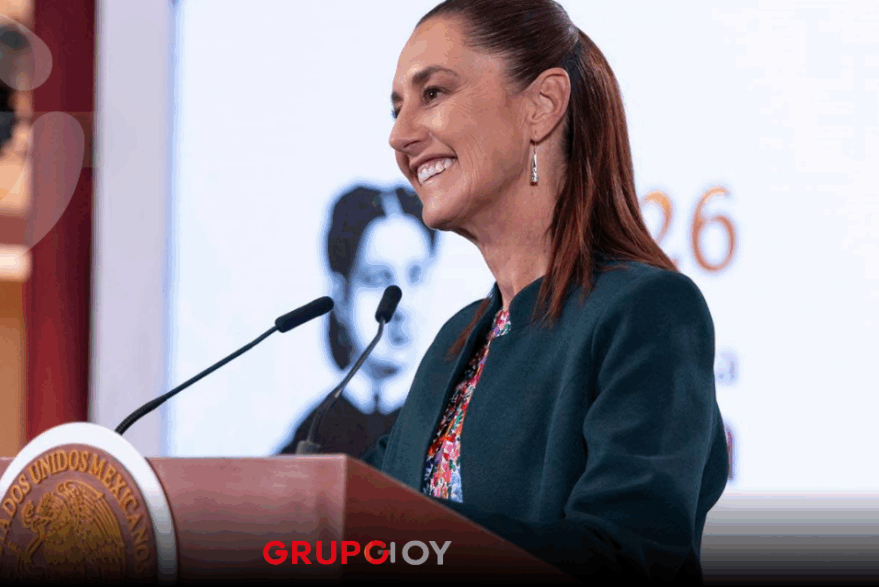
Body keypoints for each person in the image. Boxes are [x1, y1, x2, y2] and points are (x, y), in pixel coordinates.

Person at [362, 0, 728, 582]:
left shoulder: (647, 314)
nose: (399, 135)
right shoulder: (454, 344)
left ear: (541, 106)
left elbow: (630, 557)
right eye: (396, 107)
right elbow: (352, 509)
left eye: (433, 94)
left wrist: (414, 540)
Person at [277, 184, 438, 457]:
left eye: (415, 276)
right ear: (342, 296)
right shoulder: (314, 433)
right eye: (378, 279)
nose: (403, 306)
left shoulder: (444, 419)